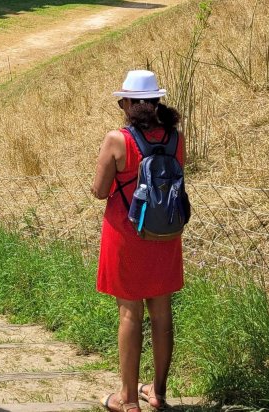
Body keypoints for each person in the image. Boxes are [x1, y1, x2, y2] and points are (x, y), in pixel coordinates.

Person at [92, 70, 185, 412]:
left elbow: (101, 190)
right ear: (156, 102)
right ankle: (158, 393)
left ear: (130, 104)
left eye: (123, 101)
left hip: (127, 233)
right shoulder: (176, 138)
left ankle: (127, 399)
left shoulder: (117, 139)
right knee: (162, 313)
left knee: (130, 314)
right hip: (165, 233)